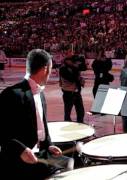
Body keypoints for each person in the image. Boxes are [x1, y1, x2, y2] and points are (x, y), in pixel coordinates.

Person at [0, 49, 73, 180]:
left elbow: (42, 126)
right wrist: (21, 150)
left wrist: (49, 145)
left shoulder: (41, 93)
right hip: (21, 159)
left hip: (42, 153)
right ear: (45, 69)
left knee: (72, 163)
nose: (51, 73)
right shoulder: (12, 94)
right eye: (51, 69)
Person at [59, 54, 86, 123]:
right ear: (67, 61)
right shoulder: (63, 68)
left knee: (81, 111)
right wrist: (80, 79)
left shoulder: (74, 67)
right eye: (72, 61)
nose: (73, 62)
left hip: (76, 92)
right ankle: (67, 125)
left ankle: (80, 123)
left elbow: (84, 68)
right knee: (68, 112)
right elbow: (71, 78)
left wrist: (82, 60)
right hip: (68, 93)